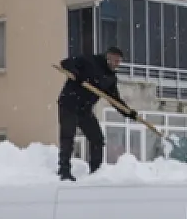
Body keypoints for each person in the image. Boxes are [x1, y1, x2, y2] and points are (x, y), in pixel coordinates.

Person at [57, 46, 135, 180]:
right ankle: (64, 171)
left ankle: (96, 172)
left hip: (84, 110)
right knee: (68, 136)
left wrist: (128, 112)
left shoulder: (110, 78)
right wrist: (77, 74)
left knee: (97, 139)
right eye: (115, 61)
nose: (117, 65)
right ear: (108, 57)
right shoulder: (89, 61)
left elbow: (114, 99)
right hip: (69, 103)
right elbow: (65, 63)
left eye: (119, 62)